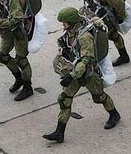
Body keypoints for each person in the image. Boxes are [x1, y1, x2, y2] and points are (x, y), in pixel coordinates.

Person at [43, 7, 120, 143]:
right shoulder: (70, 33)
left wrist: (71, 76)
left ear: (71, 22)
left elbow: (86, 60)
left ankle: (114, 114)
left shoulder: (85, 37)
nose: (63, 25)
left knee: (99, 96)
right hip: (75, 71)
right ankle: (59, 132)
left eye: (65, 22)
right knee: (65, 98)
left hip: (88, 73)